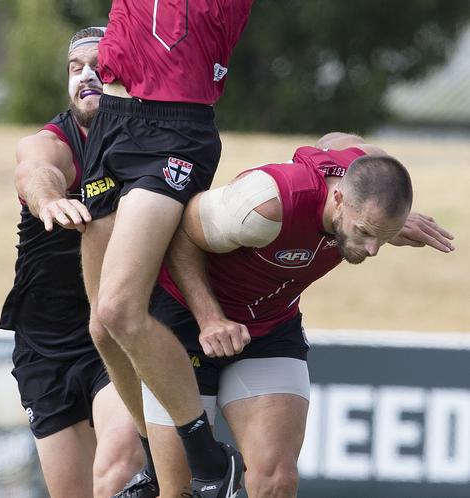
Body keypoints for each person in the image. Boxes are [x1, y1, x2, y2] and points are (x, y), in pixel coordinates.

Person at [77, 0, 290, 498]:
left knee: (126, 309)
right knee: (104, 325)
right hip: (115, 121)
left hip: (176, 130)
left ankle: (202, 454)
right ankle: (164, 453)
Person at [141, 132, 455, 498]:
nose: (372, 250)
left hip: (271, 326)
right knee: (180, 490)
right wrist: (209, 317)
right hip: (186, 322)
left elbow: (339, 142)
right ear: (339, 198)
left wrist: (383, 224)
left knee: (277, 480)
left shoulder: (365, 174)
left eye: (381, 237)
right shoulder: (264, 206)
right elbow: (182, 233)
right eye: (366, 233)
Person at [0, 27, 144, 498]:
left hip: (114, 336)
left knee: (120, 464)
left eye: (99, 66)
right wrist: (47, 200)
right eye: (76, 68)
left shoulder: (148, 143)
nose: (87, 76)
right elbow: (33, 169)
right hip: (44, 344)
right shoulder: (55, 141)